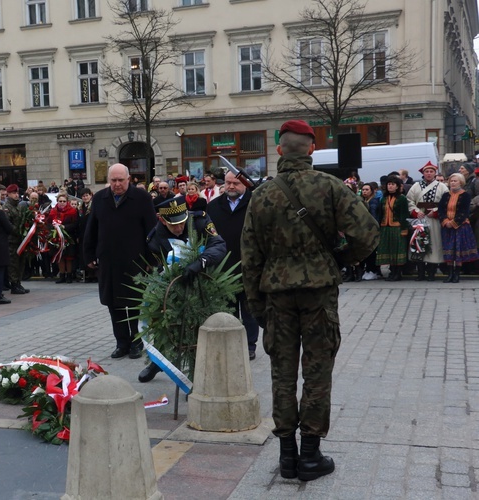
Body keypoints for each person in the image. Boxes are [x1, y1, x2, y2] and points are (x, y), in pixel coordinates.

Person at [241, 120, 378, 482]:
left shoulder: (262, 196)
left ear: (280, 150)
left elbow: (250, 257)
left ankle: (287, 456)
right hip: (318, 293)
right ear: (312, 149)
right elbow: (367, 234)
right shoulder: (330, 187)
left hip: (276, 297)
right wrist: (340, 260)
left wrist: (256, 308)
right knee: (317, 372)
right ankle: (311, 455)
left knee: (282, 373)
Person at [138, 196, 227, 383]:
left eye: (182, 222)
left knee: (198, 332)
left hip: (204, 283)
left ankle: (196, 378)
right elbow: (160, 267)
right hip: (176, 286)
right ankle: (160, 362)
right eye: (174, 225)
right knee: (167, 325)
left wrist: (200, 262)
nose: (179, 228)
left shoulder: (200, 221)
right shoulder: (154, 239)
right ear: (162, 219)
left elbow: (218, 245)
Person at [84, 163, 157, 359]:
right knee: (113, 304)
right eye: (113, 180)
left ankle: (136, 342)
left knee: (133, 303)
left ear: (129, 179)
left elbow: (152, 229)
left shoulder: (142, 198)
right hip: (108, 261)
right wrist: (89, 255)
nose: (117, 184)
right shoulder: (100, 198)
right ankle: (121, 342)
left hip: (135, 261)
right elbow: (91, 228)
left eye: (120, 180)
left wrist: (151, 258)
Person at [207, 171, 259, 360]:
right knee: (227, 310)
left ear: (244, 183)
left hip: (249, 267)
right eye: (228, 183)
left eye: (235, 183)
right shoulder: (214, 206)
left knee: (249, 311)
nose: (230, 187)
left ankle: (249, 345)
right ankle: (229, 344)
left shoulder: (255, 203)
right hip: (223, 268)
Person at [406, 162, 449, 281]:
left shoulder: (442, 187)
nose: (429, 174)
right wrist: (415, 212)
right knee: (419, 244)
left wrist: (436, 211)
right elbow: (409, 201)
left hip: (434, 220)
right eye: (427, 172)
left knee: (434, 245)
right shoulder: (415, 186)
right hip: (420, 220)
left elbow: (446, 202)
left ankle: (431, 273)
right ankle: (420, 273)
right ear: (423, 173)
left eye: (431, 172)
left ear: (435, 173)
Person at [438, 173, 479, 282]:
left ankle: (457, 274)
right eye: (451, 181)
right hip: (447, 226)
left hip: (460, 226)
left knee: (458, 250)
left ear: (461, 182)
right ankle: (450, 273)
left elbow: (464, 212)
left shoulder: (465, 195)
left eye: (455, 181)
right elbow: (441, 209)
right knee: (449, 250)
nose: (453, 183)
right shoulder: (445, 195)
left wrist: (454, 223)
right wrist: (445, 221)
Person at [375, 176, 409, 281]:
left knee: (397, 249)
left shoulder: (402, 198)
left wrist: (404, 229)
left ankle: (398, 273)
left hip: (397, 228)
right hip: (385, 227)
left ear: (397, 186)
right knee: (389, 249)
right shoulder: (383, 198)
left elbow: (404, 214)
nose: (390, 186)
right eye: (389, 184)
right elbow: (380, 213)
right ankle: (391, 271)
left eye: (393, 184)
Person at [3, 184, 29, 294]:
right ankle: (14, 285)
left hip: (20, 240)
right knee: (13, 264)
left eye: (17, 193)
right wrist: (19, 232)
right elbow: (7, 224)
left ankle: (18, 283)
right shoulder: (6, 207)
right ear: (8, 194)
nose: (16, 195)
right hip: (11, 240)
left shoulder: (19, 205)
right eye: (14, 193)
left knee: (21, 262)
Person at [48, 192, 79, 283]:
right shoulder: (53, 211)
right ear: (57, 201)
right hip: (56, 236)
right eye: (60, 201)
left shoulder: (73, 211)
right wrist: (53, 227)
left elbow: (76, 224)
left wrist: (65, 227)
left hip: (68, 236)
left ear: (67, 202)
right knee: (60, 256)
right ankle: (62, 275)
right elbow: (48, 223)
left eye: (64, 201)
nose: (62, 203)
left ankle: (69, 275)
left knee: (69, 257)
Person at [359, 182, 381, 281]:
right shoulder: (364, 200)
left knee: (372, 252)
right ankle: (368, 270)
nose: (364, 191)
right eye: (363, 189)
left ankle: (373, 271)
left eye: (367, 189)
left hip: (371, 229)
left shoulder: (373, 201)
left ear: (372, 191)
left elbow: (373, 216)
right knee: (367, 252)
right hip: (364, 229)